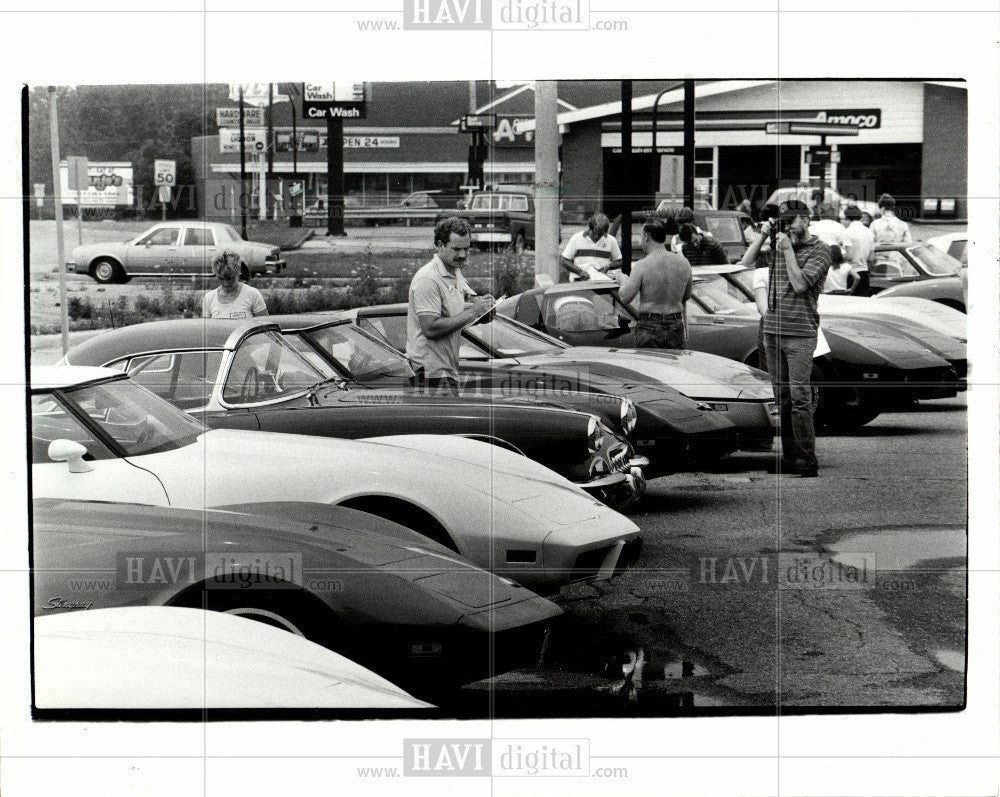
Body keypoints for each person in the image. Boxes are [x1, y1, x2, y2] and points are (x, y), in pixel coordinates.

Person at [740, 200, 831, 478]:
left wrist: (788, 250)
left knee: (800, 396)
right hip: (773, 330)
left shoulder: (821, 250)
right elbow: (744, 263)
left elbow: (801, 284)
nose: (789, 227)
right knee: (783, 399)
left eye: (793, 221)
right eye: (784, 222)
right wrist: (764, 236)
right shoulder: (778, 246)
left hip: (800, 332)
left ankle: (807, 459)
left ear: (806, 219)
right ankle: (790, 457)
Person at [405, 217, 494, 394]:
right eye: (456, 249)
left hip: (446, 370)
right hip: (430, 374)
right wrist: (474, 312)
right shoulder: (428, 279)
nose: (462, 255)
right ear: (440, 245)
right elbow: (430, 328)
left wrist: (485, 309)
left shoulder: (454, 271)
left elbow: (467, 300)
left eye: (466, 249)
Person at [618, 219, 693, 349]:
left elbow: (625, 297)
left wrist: (622, 280)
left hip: (650, 325)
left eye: (641, 236)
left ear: (646, 236)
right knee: (673, 367)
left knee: (649, 366)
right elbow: (686, 295)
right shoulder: (684, 263)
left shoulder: (642, 265)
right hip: (675, 324)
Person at [202, 250, 268, 319]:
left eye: (230, 278)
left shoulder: (253, 294)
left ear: (238, 273)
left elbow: (265, 325)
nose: (226, 283)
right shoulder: (209, 298)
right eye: (221, 279)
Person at [561, 212, 623, 280]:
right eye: (595, 234)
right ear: (590, 228)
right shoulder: (577, 238)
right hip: (579, 279)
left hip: (602, 279)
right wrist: (580, 272)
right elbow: (564, 260)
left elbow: (619, 261)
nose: (597, 237)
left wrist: (608, 267)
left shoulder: (611, 240)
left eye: (600, 235)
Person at [870, 193, 912, 275]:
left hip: (879, 262)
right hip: (896, 262)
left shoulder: (875, 224)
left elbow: (870, 244)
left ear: (882, 208)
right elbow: (908, 243)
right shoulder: (903, 224)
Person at [841, 204, 875, 294]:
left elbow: (849, 256)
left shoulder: (847, 232)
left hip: (851, 274)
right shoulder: (869, 232)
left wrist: (838, 256)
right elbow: (871, 258)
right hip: (865, 273)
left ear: (847, 218)